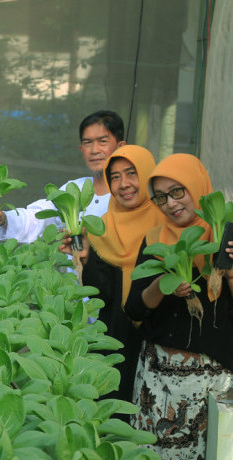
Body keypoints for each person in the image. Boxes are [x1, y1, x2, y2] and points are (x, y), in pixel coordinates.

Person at [124, 154, 233, 460]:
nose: (171, 204)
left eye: (178, 192)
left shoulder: (223, 236)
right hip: (155, 385)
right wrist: (163, 284)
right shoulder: (155, 238)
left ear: (197, 187)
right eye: (161, 197)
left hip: (209, 388)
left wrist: (229, 269)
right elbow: (135, 307)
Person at [58, 145, 167, 405]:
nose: (123, 184)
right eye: (115, 177)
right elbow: (102, 294)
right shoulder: (102, 226)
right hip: (116, 342)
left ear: (147, 174)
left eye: (131, 174)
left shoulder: (167, 223)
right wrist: (86, 258)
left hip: (158, 344)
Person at [0, 110, 126, 243]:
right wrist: (6, 219)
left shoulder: (129, 192)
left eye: (102, 141)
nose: (94, 150)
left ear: (120, 146)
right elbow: (38, 217)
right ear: (81, 149)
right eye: (87, 143)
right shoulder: (75, 188)